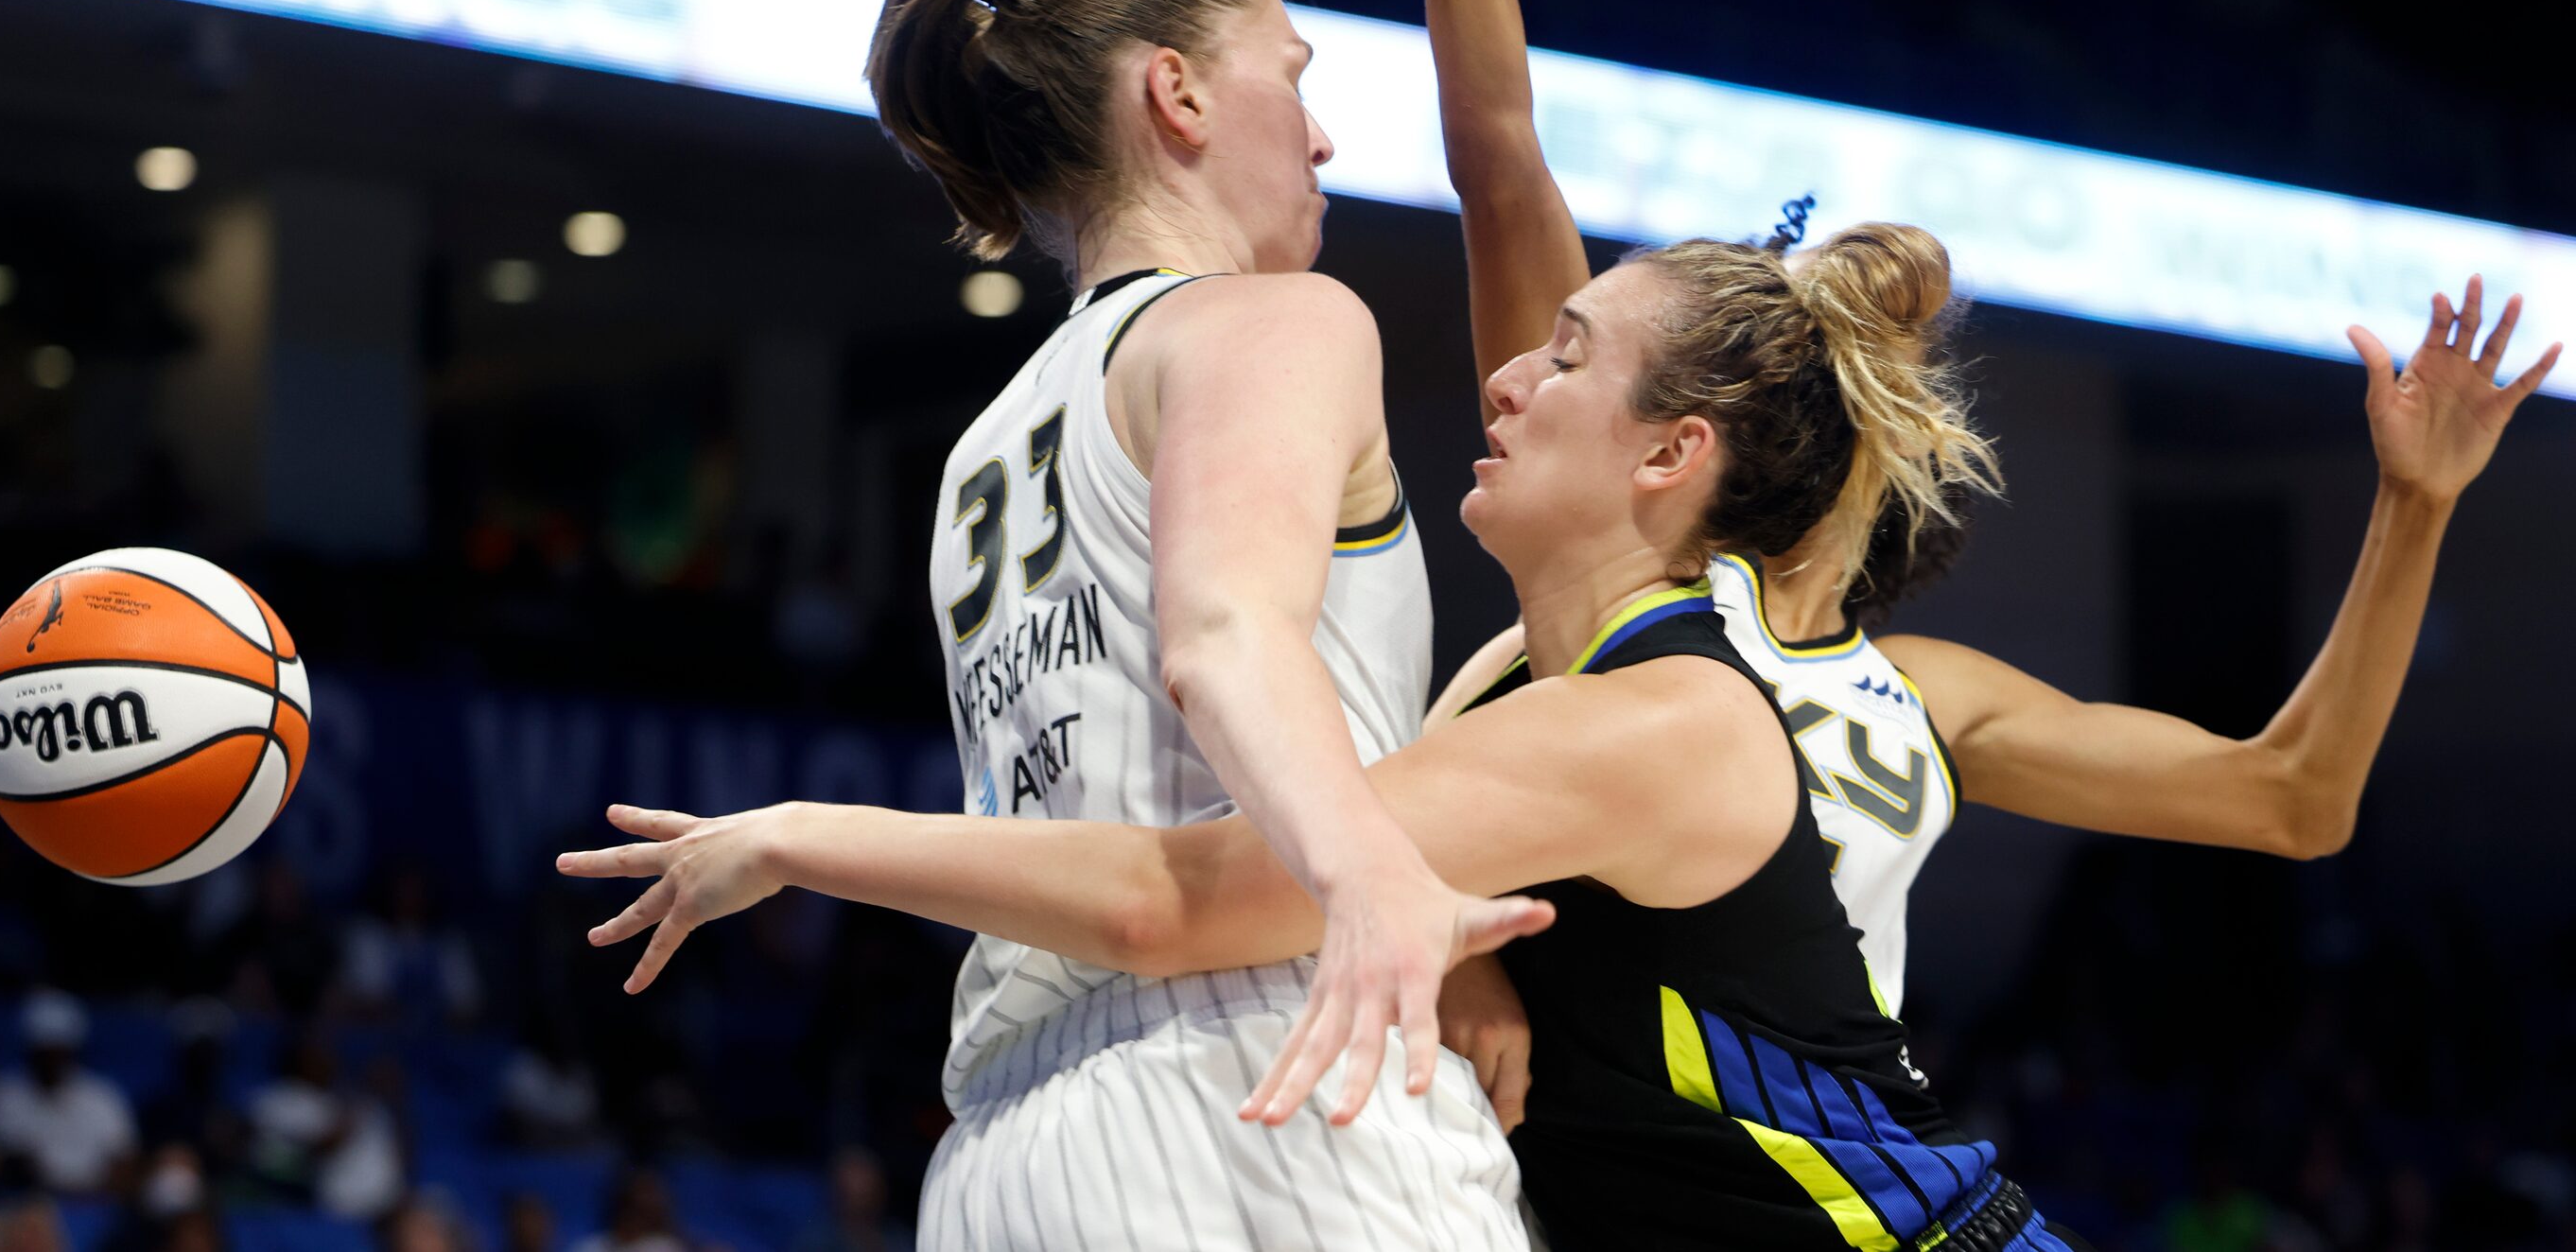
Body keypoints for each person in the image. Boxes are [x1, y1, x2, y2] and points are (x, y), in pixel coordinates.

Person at [1348, 0, 2565, 1025]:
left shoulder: (1906, 690)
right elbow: (1497, 142)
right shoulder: (1613, 597)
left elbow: (2293, 799)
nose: (1543, 370)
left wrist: (2414, 504)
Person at [564, 223, 2102, 1247]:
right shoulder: (1532, 692)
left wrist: (788, 834)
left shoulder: (1659, 718)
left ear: (1669, 453)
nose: (1505, 373)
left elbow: (1173, 902)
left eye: (1565, 354)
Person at [748, 0, 1535, 1244]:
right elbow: (1223, 633)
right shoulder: (1274, 320)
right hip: (1275, 1078)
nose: (1324, 135)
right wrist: (1368, 875)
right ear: (1175, 89)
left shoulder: (985, 451)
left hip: (1009, 1146)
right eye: (1292, 77)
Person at [0, 991, 135, 1198]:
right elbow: (15, 1165)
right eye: (44, 1052)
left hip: (97, 1202)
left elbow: (124, 1161)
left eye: (59, 1051)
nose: (52, 1061)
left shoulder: (102, 1095)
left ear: (73, 1050)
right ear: (30, 1050)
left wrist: (90, 1195)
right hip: (30, 1201)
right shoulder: (5, 1094)